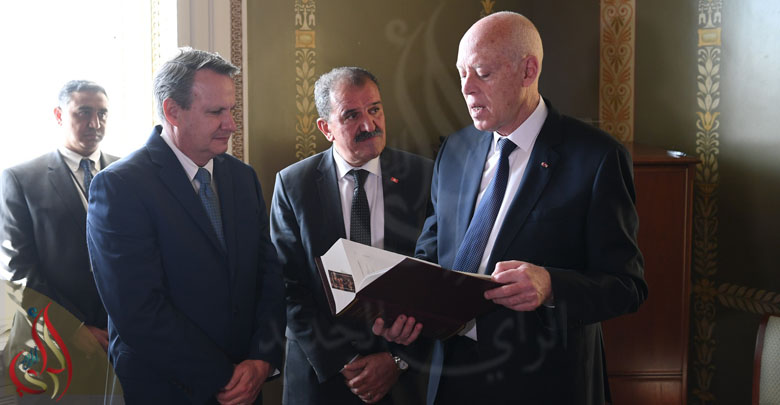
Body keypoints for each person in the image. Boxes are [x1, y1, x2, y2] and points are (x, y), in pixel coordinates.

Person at [373, 12, 648, 405]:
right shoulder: (454, 149)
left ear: (528, 71)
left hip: (543, 384)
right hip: (451, 378)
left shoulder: (597, 158)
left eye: (482, 73)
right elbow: (431, 252)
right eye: (461, 73)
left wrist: (550, 285)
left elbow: (627, 286)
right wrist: (407, 310)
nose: (466, 88)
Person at [86, 48, 285, 404]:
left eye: (232, 110)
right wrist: (223, 377)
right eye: (216, 112)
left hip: (247, 384)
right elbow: (138, 310)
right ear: (172, 111)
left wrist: (261, 359)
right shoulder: (119, 186)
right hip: (166, 390)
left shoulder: (243, 178)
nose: (231, 124)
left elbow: (268, 275)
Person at [270, 66, 433, 405]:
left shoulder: (424, 176)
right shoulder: (294, 185)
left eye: (374, 110)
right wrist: (344, 361)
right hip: (320, 378)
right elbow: (287, 286)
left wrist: (397, 360)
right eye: (351, 115)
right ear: (325, 128)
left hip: (401, 378)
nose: (369, 125)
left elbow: (437, 274)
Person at [1, 80, 116, 352]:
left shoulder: (127, 172)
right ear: (59, 115)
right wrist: (70, 328)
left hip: (124, 333)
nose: (95, 123)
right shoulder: (21, 179)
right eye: (84, 112)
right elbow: (19, 269)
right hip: (53, 341)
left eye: (102, 114)